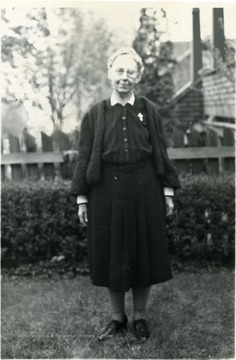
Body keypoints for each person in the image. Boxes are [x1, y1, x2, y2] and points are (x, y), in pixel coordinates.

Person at [70, 47, 180, 342]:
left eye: (131, 72)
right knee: (112, 252)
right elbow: (83, 158)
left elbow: (160, 151)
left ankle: (140, 317)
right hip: (106, 190)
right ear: (110, 73)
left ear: (138, 76)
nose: (124, 77)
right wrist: (82, 197)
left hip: (145, 188)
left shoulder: (148, 109)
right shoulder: (95, 114)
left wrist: (167, 191)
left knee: (143, 251)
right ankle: (118, 318)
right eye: (119, 71)